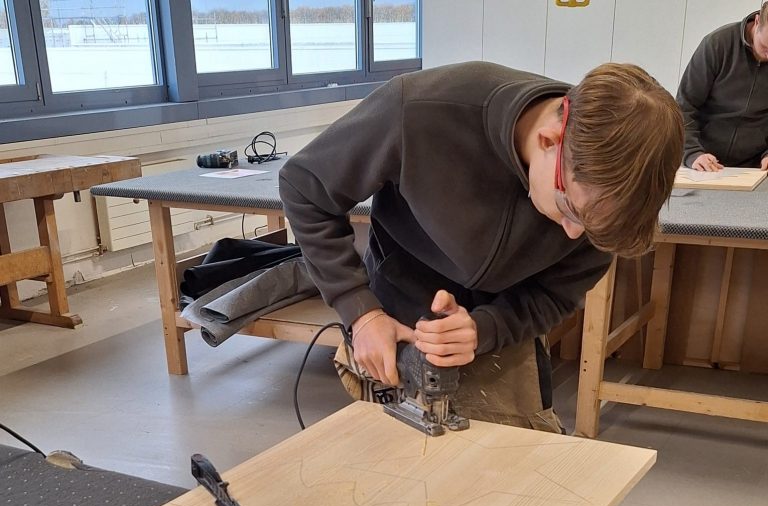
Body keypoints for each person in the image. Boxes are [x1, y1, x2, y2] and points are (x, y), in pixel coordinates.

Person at [279, 61, 683, 432]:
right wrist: (360, 311)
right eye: (568, 209)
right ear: (549, 140)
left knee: (506, 469)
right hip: (395, 314)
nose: (574, 234)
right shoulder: (421, 110)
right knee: (392, 458)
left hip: (503, 330)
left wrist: (485, 329)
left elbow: (555, 294)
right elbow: (304, 188)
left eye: (590, 227)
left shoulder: (605, 196)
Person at [677, 6, 768, 172]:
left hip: (755, 169)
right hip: (704, 161)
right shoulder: (717, 44)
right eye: (765, 47)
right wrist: (691, 152)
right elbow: (685, 106)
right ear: (757, 21)